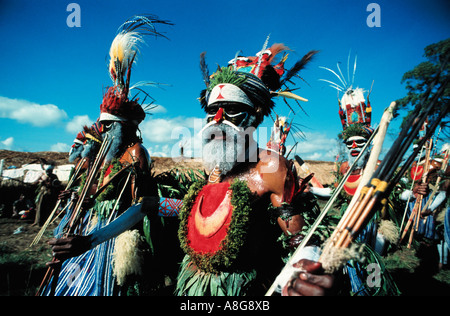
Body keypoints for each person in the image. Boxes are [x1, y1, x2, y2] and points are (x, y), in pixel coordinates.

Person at [48, 40, 337, 296]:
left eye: (231, 110)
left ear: (256, 117)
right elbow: (150, 206)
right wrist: (89, 240)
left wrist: (304, 273)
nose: (218, 118)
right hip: (189, 285)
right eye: (212, 111)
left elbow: (300, 241)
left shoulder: (270, 169)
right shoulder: (213, 173)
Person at [41, 15, 171, 296]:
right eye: (104, 125)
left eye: (110, 126)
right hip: (87, 227)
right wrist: (75, 197)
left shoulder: (135, 153)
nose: (104, 131)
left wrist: (101, 236)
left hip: (112, 232)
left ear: (124, 128)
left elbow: (142, 205)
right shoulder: (101, 156)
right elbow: (89, 186)